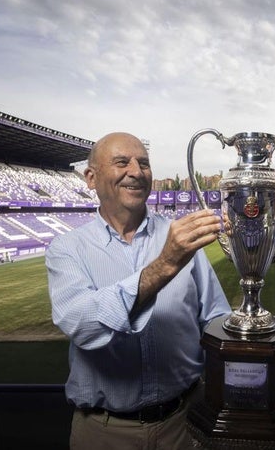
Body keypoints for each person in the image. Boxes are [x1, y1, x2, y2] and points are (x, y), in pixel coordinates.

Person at [46, 132, 231, 450]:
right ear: (91, 178)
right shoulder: (67, 249)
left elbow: (216, 320)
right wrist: (164, 266)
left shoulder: (180, 238)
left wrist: (256, 368)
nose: (136, 171)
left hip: (185, 424)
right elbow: (82, 324)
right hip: (104, 433)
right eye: (122, 162)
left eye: (143, 163)